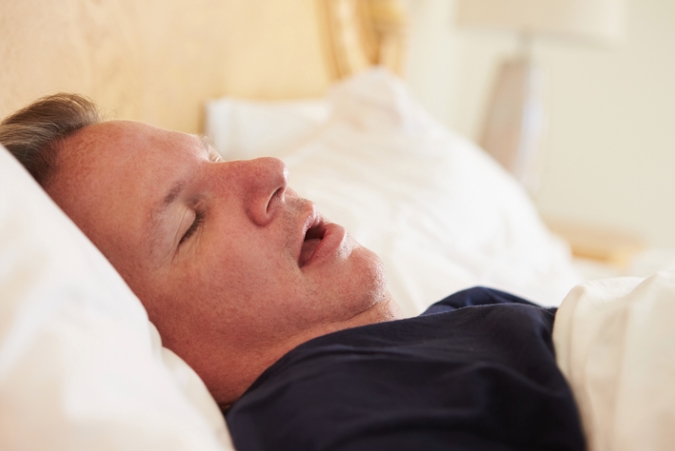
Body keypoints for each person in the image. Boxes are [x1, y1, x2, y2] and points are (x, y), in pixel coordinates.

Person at [0, 94, 585, 450]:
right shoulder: (328, 416)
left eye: (218, 158)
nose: (271, 170)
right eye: (191, 222)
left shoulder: (453, 320)